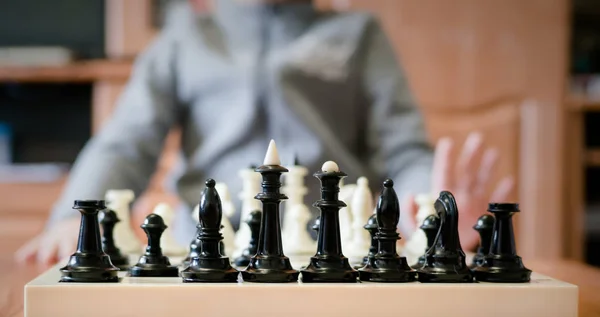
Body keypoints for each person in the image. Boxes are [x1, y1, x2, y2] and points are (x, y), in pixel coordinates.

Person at [15, 0, 513, 265]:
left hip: (334, 251)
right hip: (206, 250)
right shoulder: (184, 38)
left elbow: (404, 150)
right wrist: (76, 214)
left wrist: (433, 208)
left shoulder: (359, 35)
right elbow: (126, 143)